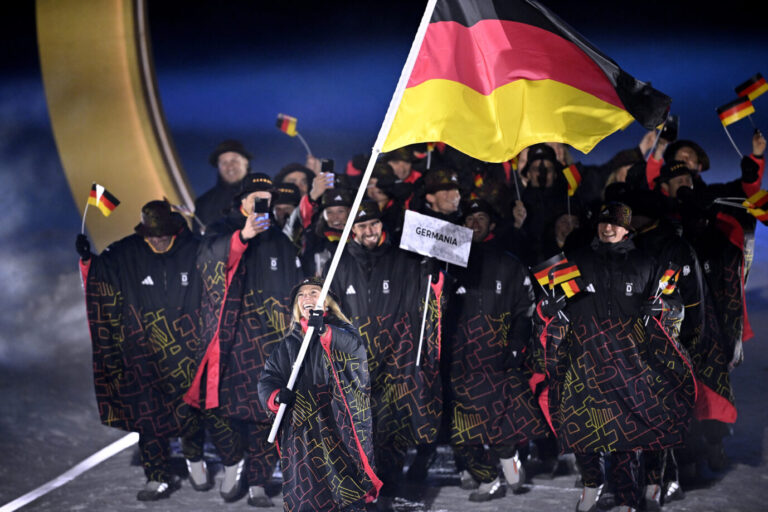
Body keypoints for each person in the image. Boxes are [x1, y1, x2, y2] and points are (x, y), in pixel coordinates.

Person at [76, 200, 243, 501]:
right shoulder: (126, 252)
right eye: (151, 234)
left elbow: (224, 265)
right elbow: (100, 279)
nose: (157, 239)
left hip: (189, 349)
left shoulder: (195, 248)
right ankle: (157, 477)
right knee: (148, 418)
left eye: (162, 233)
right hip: (144, 353)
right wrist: (88, 259)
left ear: (174, 230)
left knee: (191, 412)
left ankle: (194, 459)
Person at [541, 202, 695, 512]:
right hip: (585, 359)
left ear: (627, 229)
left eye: (614, 223)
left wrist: (663, 310)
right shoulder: (577, 260)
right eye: (602, 222)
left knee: (627, 436)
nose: (607, 228)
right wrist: (550, 308)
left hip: (631, 362)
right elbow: (550, 309)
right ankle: (591, 484)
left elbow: (675, 306)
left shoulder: (646, 263)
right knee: (583, 430)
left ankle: (627, 500)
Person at [184, 173, 304, 507]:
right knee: (219, 410)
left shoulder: (280, 239)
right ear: (243, 200)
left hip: (269, 342)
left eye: (268, 197)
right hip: (228, 340)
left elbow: (292, 286)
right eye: (257, 197)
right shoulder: (222, 228)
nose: (262, 203)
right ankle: (233, 460)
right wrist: (242, 236)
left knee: (265, 413)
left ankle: (259, 483)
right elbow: (207, 261)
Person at [327, 201, 444, 500]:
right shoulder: (338, 261)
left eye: (374, 224)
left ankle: (389, 486)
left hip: (396, 356)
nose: (369, 231)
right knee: (359, 425)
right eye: (362, 225)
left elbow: (424, 299)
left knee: (393, 427)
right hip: (356, 358)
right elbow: (329, 307)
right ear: (352, 229)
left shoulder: (402, 258)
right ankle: (362, 486)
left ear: (382, 226)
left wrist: (431, 271)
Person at [447, 199, 549, 502]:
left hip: (497, 353)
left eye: (481, 218)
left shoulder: (509, 263)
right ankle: (485, 477)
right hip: (459, 357)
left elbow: (524, 310)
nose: (475, 223)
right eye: (469, 219)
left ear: (492, 225)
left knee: (499, 418)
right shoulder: (448, 262)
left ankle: (509, 461)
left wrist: (517, 345)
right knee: (463, 425)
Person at [258, 277, 382, 511]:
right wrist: (275, 396)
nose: (307, 298)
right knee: (305, 490)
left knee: (344, 489)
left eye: (314, 292)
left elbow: (354, 350)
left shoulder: (343, 331)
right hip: (302, 430)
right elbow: (269, 376)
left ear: (327, 302)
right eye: (302, 295)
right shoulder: (288, 343)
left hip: (337, 424)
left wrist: (324, 330)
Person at [194, 139, 253, 233]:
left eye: (234, 160)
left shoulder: (264, 196)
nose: (230, 167)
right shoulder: (203, 203)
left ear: (246, 162)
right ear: (218, 166)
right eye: (224, 162)